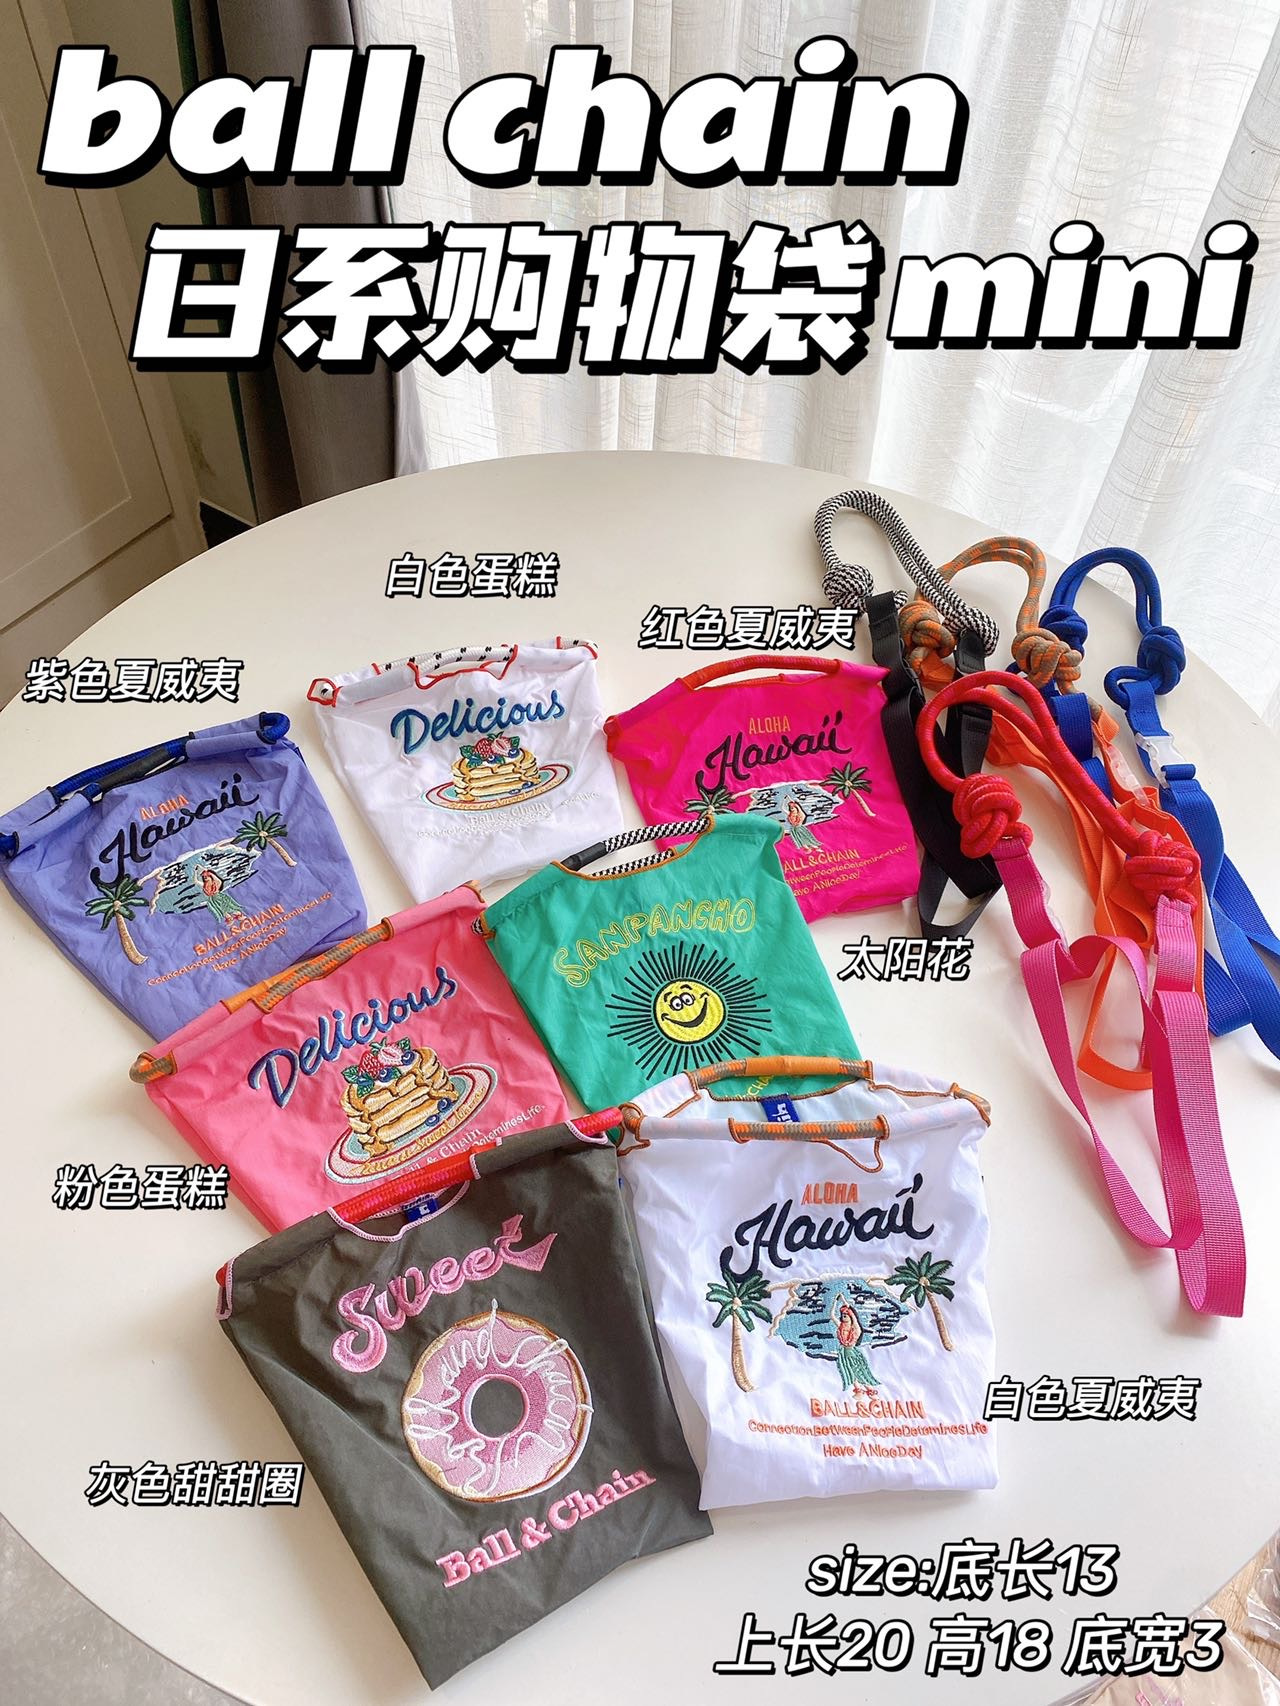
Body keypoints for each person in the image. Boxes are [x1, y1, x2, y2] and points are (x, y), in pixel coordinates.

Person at [831, 1290, 878, 1390]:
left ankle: (870, 1390)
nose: (844, 1316)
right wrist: (835, 1301)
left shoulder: (855, 1328)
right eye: (842, 1315)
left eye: (846, 1314)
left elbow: (852, 1314)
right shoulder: (841, 1326)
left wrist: (843, 1299)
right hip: (844, 1353)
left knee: (859, 1371)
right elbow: (832, 1315)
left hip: (852, 1352)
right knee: (849, 1371)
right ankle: (858, 1390)